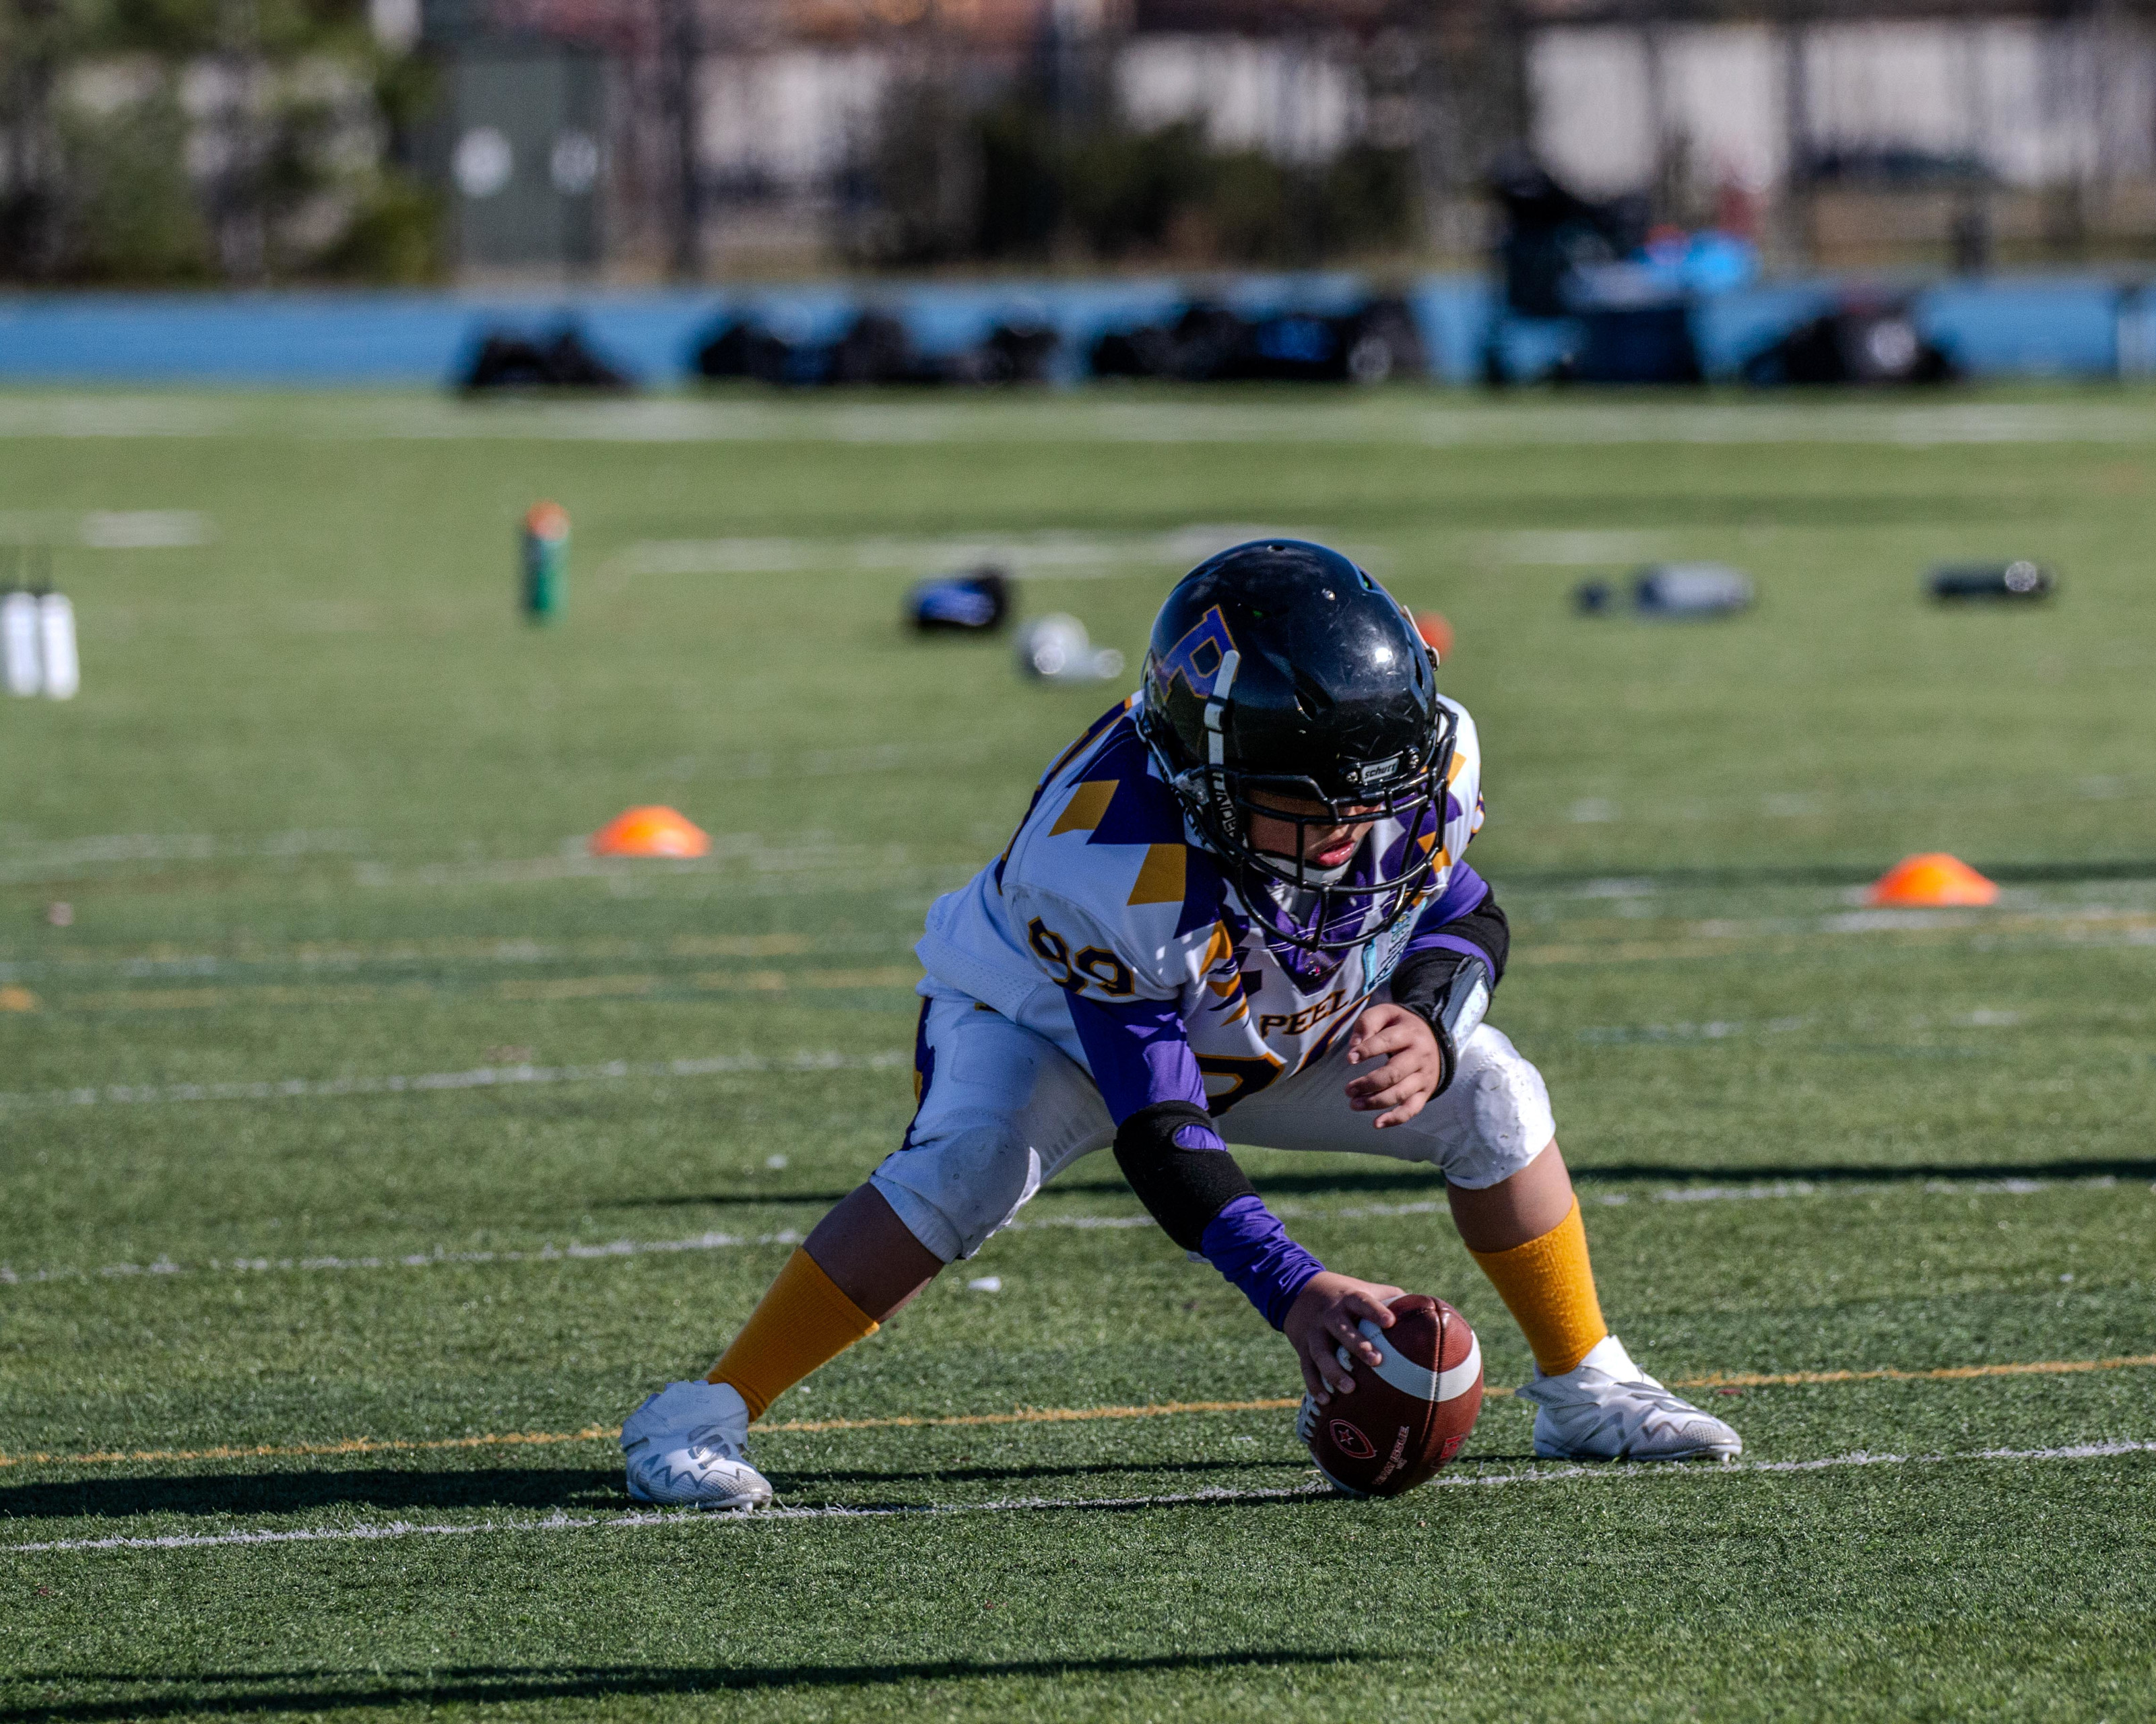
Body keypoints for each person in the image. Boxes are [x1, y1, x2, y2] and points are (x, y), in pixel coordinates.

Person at [621, 540, 1740, 1508]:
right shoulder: (1102, 857)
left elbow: (1465, 911)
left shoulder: (1409, 767)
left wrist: (1429, 1019)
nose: (1348, 830)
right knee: (968, 1164)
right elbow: (1157, 1120)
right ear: (1207, 766)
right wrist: (1293, 1287)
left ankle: (1587, 1385)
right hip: (1053, 1018)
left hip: (1256, 998)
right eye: (1307, 805)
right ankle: (697, 1413)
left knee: (1494, 1089)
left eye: (1369, 799)